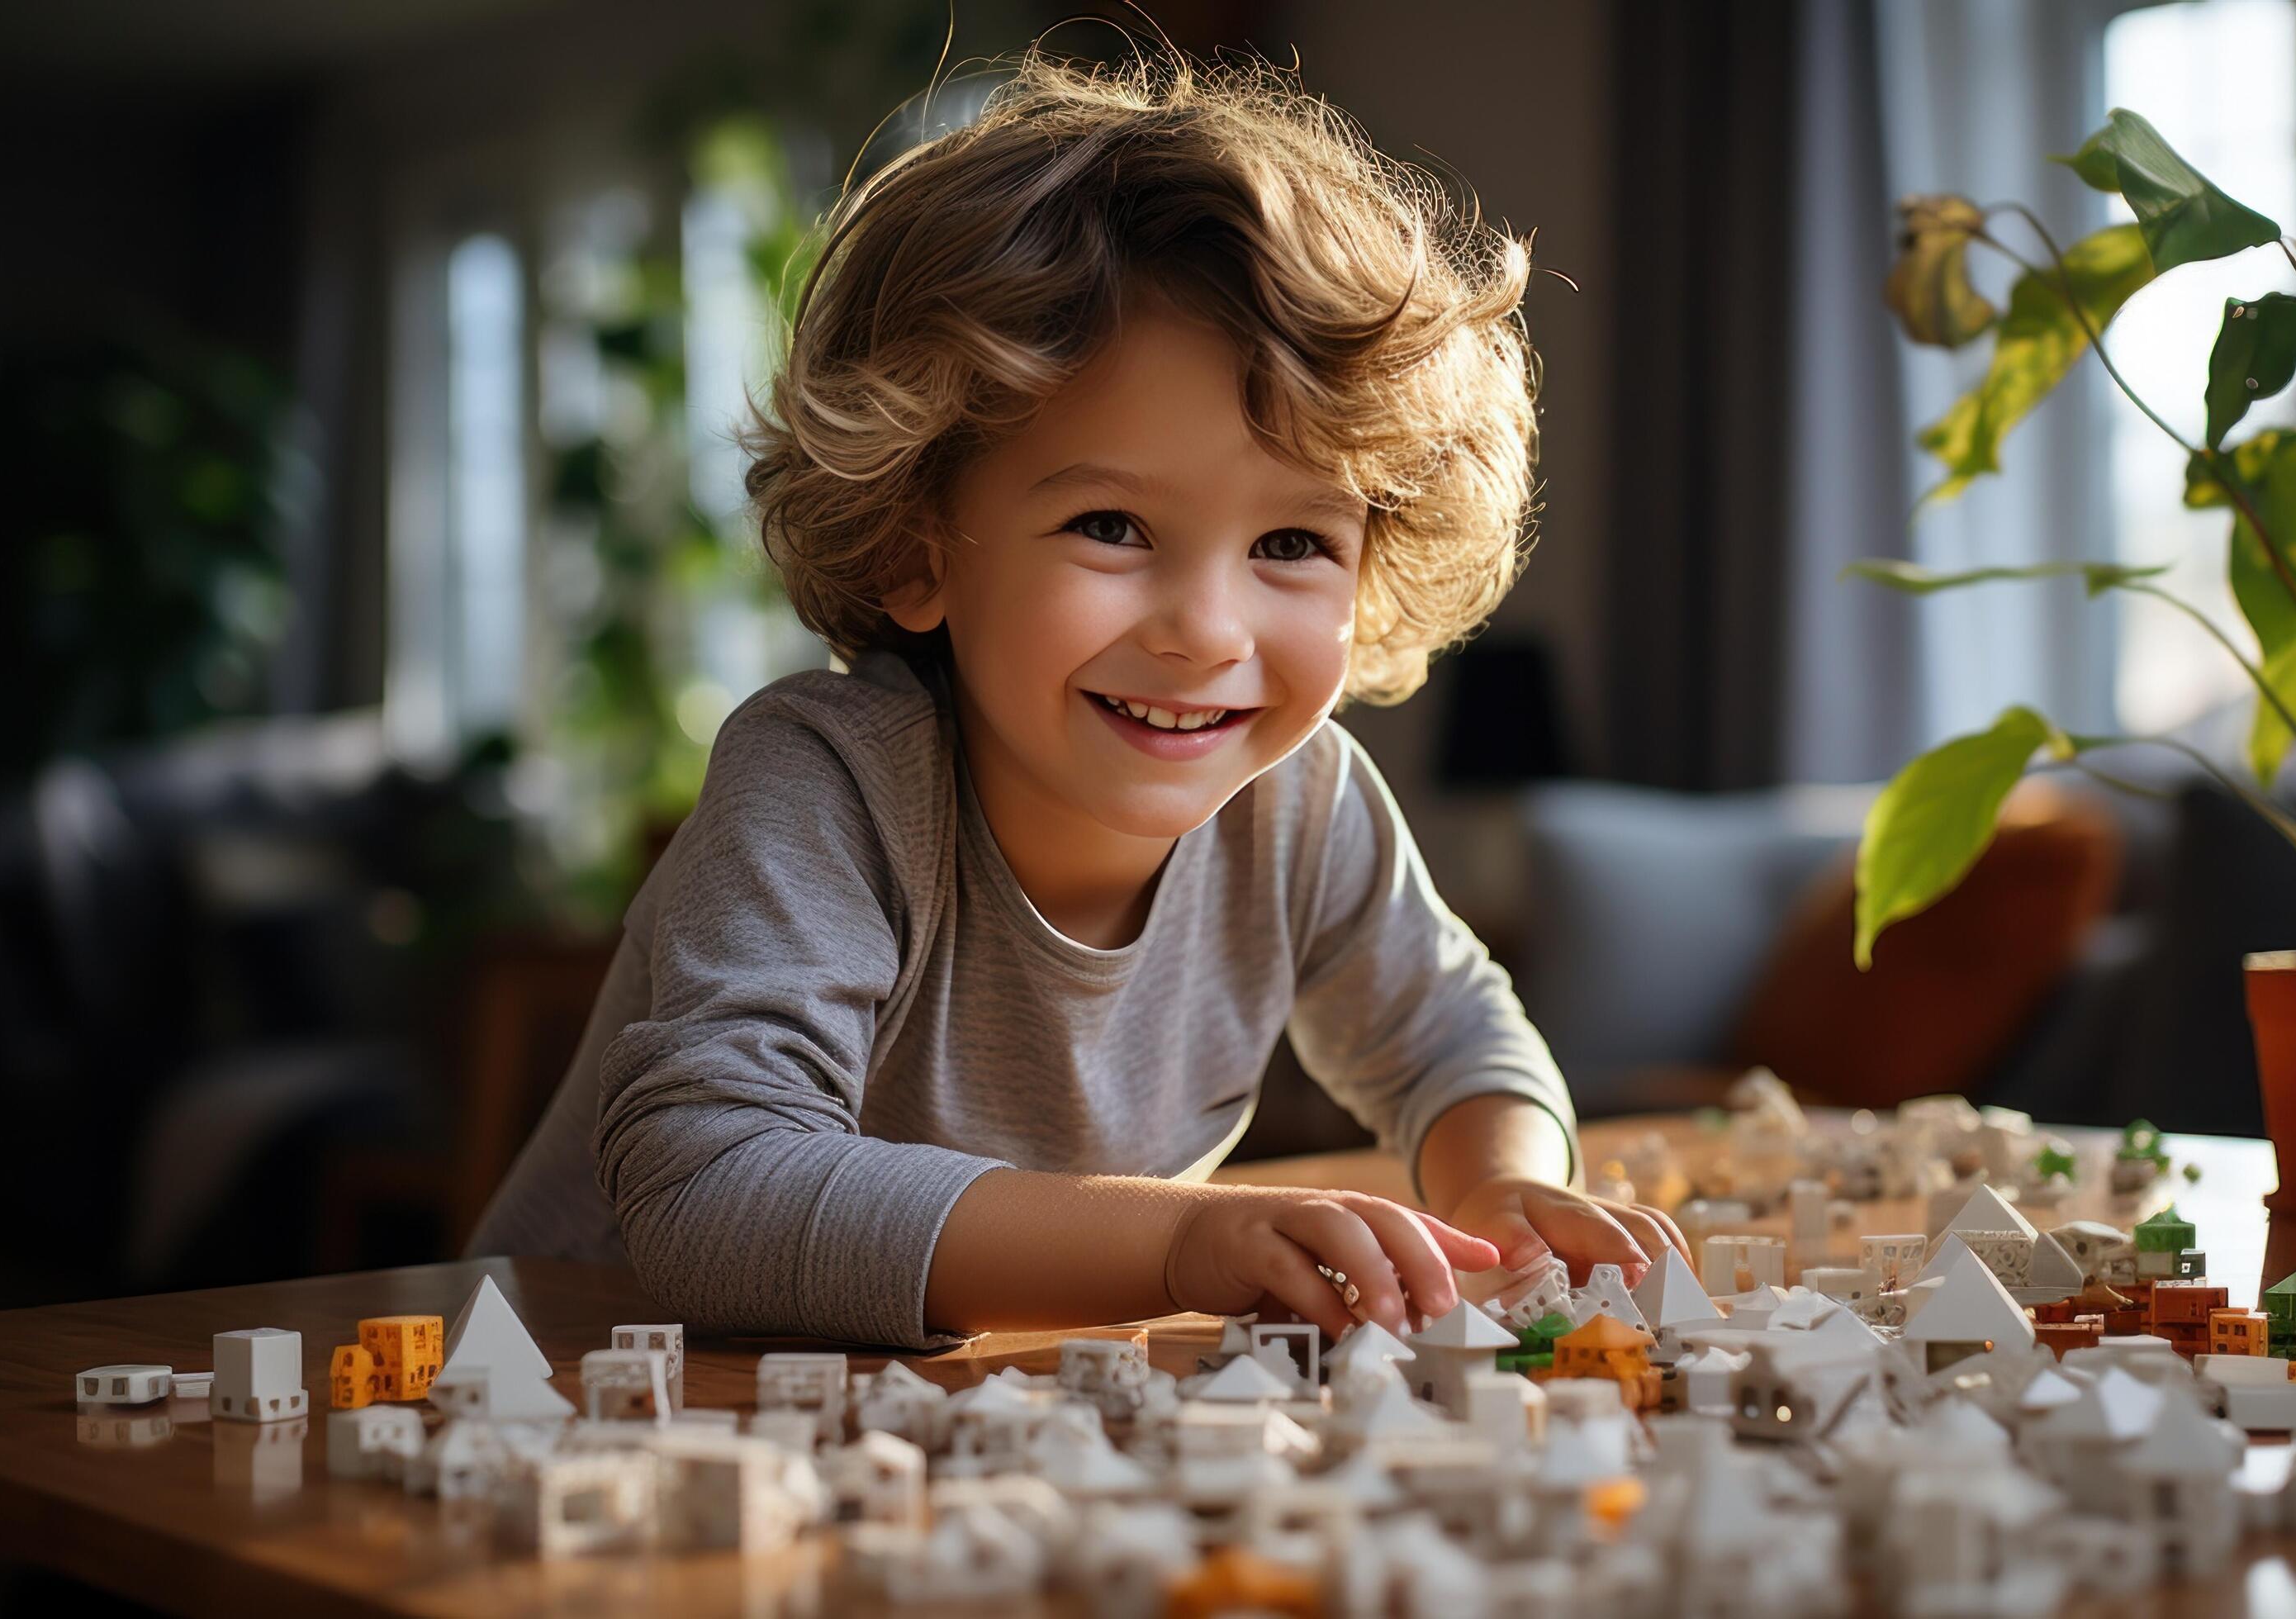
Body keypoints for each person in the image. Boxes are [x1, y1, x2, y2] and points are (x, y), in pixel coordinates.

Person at [469, 44, 1682, 1348]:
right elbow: (714, 1189)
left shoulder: (1303, 798)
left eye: (1292, 545)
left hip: (928, 1442)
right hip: (562, 1411)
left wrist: (1507, 1182)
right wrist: (1179, 1240)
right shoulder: (826, 785)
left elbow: (1451, 1031)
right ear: (915, 549)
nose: (1206, 631)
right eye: (1111, 524)